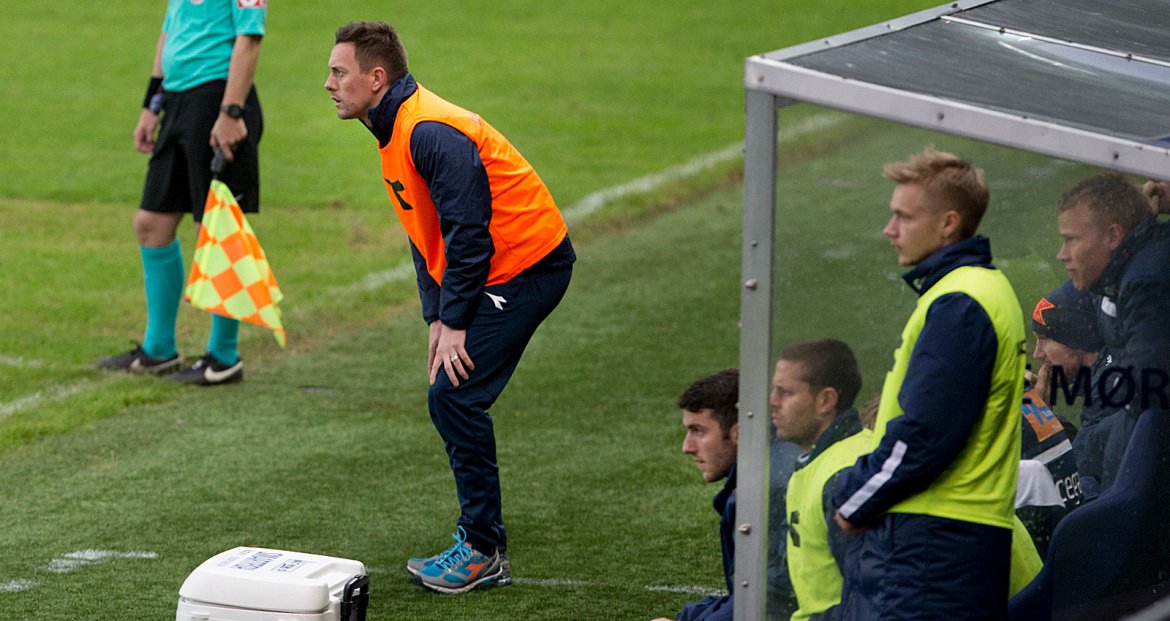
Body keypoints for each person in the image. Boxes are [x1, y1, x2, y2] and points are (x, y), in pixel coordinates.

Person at [324, 21, 575, 594]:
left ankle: (483, 550)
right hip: (495, 268)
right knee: (450, 389)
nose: (329, 84)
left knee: (454, 394)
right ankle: (481, 540)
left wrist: (457, 323)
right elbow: (424, 232)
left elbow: (468, 235)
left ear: (376, 77)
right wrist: (435, 318)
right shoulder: (391, 128)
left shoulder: (431, 131)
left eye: (340, 72)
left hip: (530, 266)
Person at [831, 147, 1027, 620]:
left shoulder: (960, 302)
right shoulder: (979, 289)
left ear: (948, 223)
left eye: (903, 216)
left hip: (933, 549)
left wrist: (853, 499)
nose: (889, 229)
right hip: (956, 541)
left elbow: (924, 432)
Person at [97, 0, 266, 385]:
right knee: (151, 223)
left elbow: (249, 40)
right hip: (175, 101)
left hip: (216, 101)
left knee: (216, 230)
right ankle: (158, 349)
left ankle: (224, 356)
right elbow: (168, 32)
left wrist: (232, 112)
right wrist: (151, 105)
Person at [1053, 173, 1170, 493]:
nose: (1062, 254)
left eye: (1072, 239)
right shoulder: (1127, 269)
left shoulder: (1146, 282)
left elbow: (1147, 392)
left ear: (1113, 236)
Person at [651, 369, 799, 621]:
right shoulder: (782, 460)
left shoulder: (757, 493)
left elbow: (769, 601)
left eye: (698, 431)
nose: (686, 447)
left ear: (739, 432)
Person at [771, 339, 869, 621]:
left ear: (826, 400)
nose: (772, 402)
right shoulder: (817, 462)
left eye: (785, 392)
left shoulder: (845, 475)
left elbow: (865, 594)